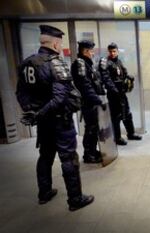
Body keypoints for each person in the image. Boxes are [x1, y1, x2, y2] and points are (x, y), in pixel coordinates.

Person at [15, 25, 94, 211]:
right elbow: (60, 98)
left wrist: (33, 112)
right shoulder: (55, 63)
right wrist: (40, 113)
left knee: (45, 156)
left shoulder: (27, 63)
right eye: (60, 43)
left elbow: (20, 93)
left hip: (43, 122)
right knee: (68, 159)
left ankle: (44, 193)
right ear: (56, 43)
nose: (60, 46)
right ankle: (75, 199)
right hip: (60, 121)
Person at [72, 40, 119, 163]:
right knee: (91, 129)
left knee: (94, 128)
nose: (93, 53)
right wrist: (98, 100)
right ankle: (88, 154)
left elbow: (95, 82)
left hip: (93, 102)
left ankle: (93, 151)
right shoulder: (80, 64)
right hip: (89, 103)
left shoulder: (88, 64)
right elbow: (85, 86)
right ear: (86, 51)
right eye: (91, 50)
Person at [98, 42, 142, 146]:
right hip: (113, 94)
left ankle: (131, 133)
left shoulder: (118, 61)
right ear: (108, 52)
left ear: (117, 51)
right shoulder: (105, 62)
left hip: (121, 92)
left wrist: (128, 76)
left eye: (114, 51)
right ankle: (117, 138)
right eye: (110, 51)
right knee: (116, 117)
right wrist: (114, 90)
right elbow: (106, 79)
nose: (112, 53)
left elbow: (123, 73)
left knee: (126, 113)